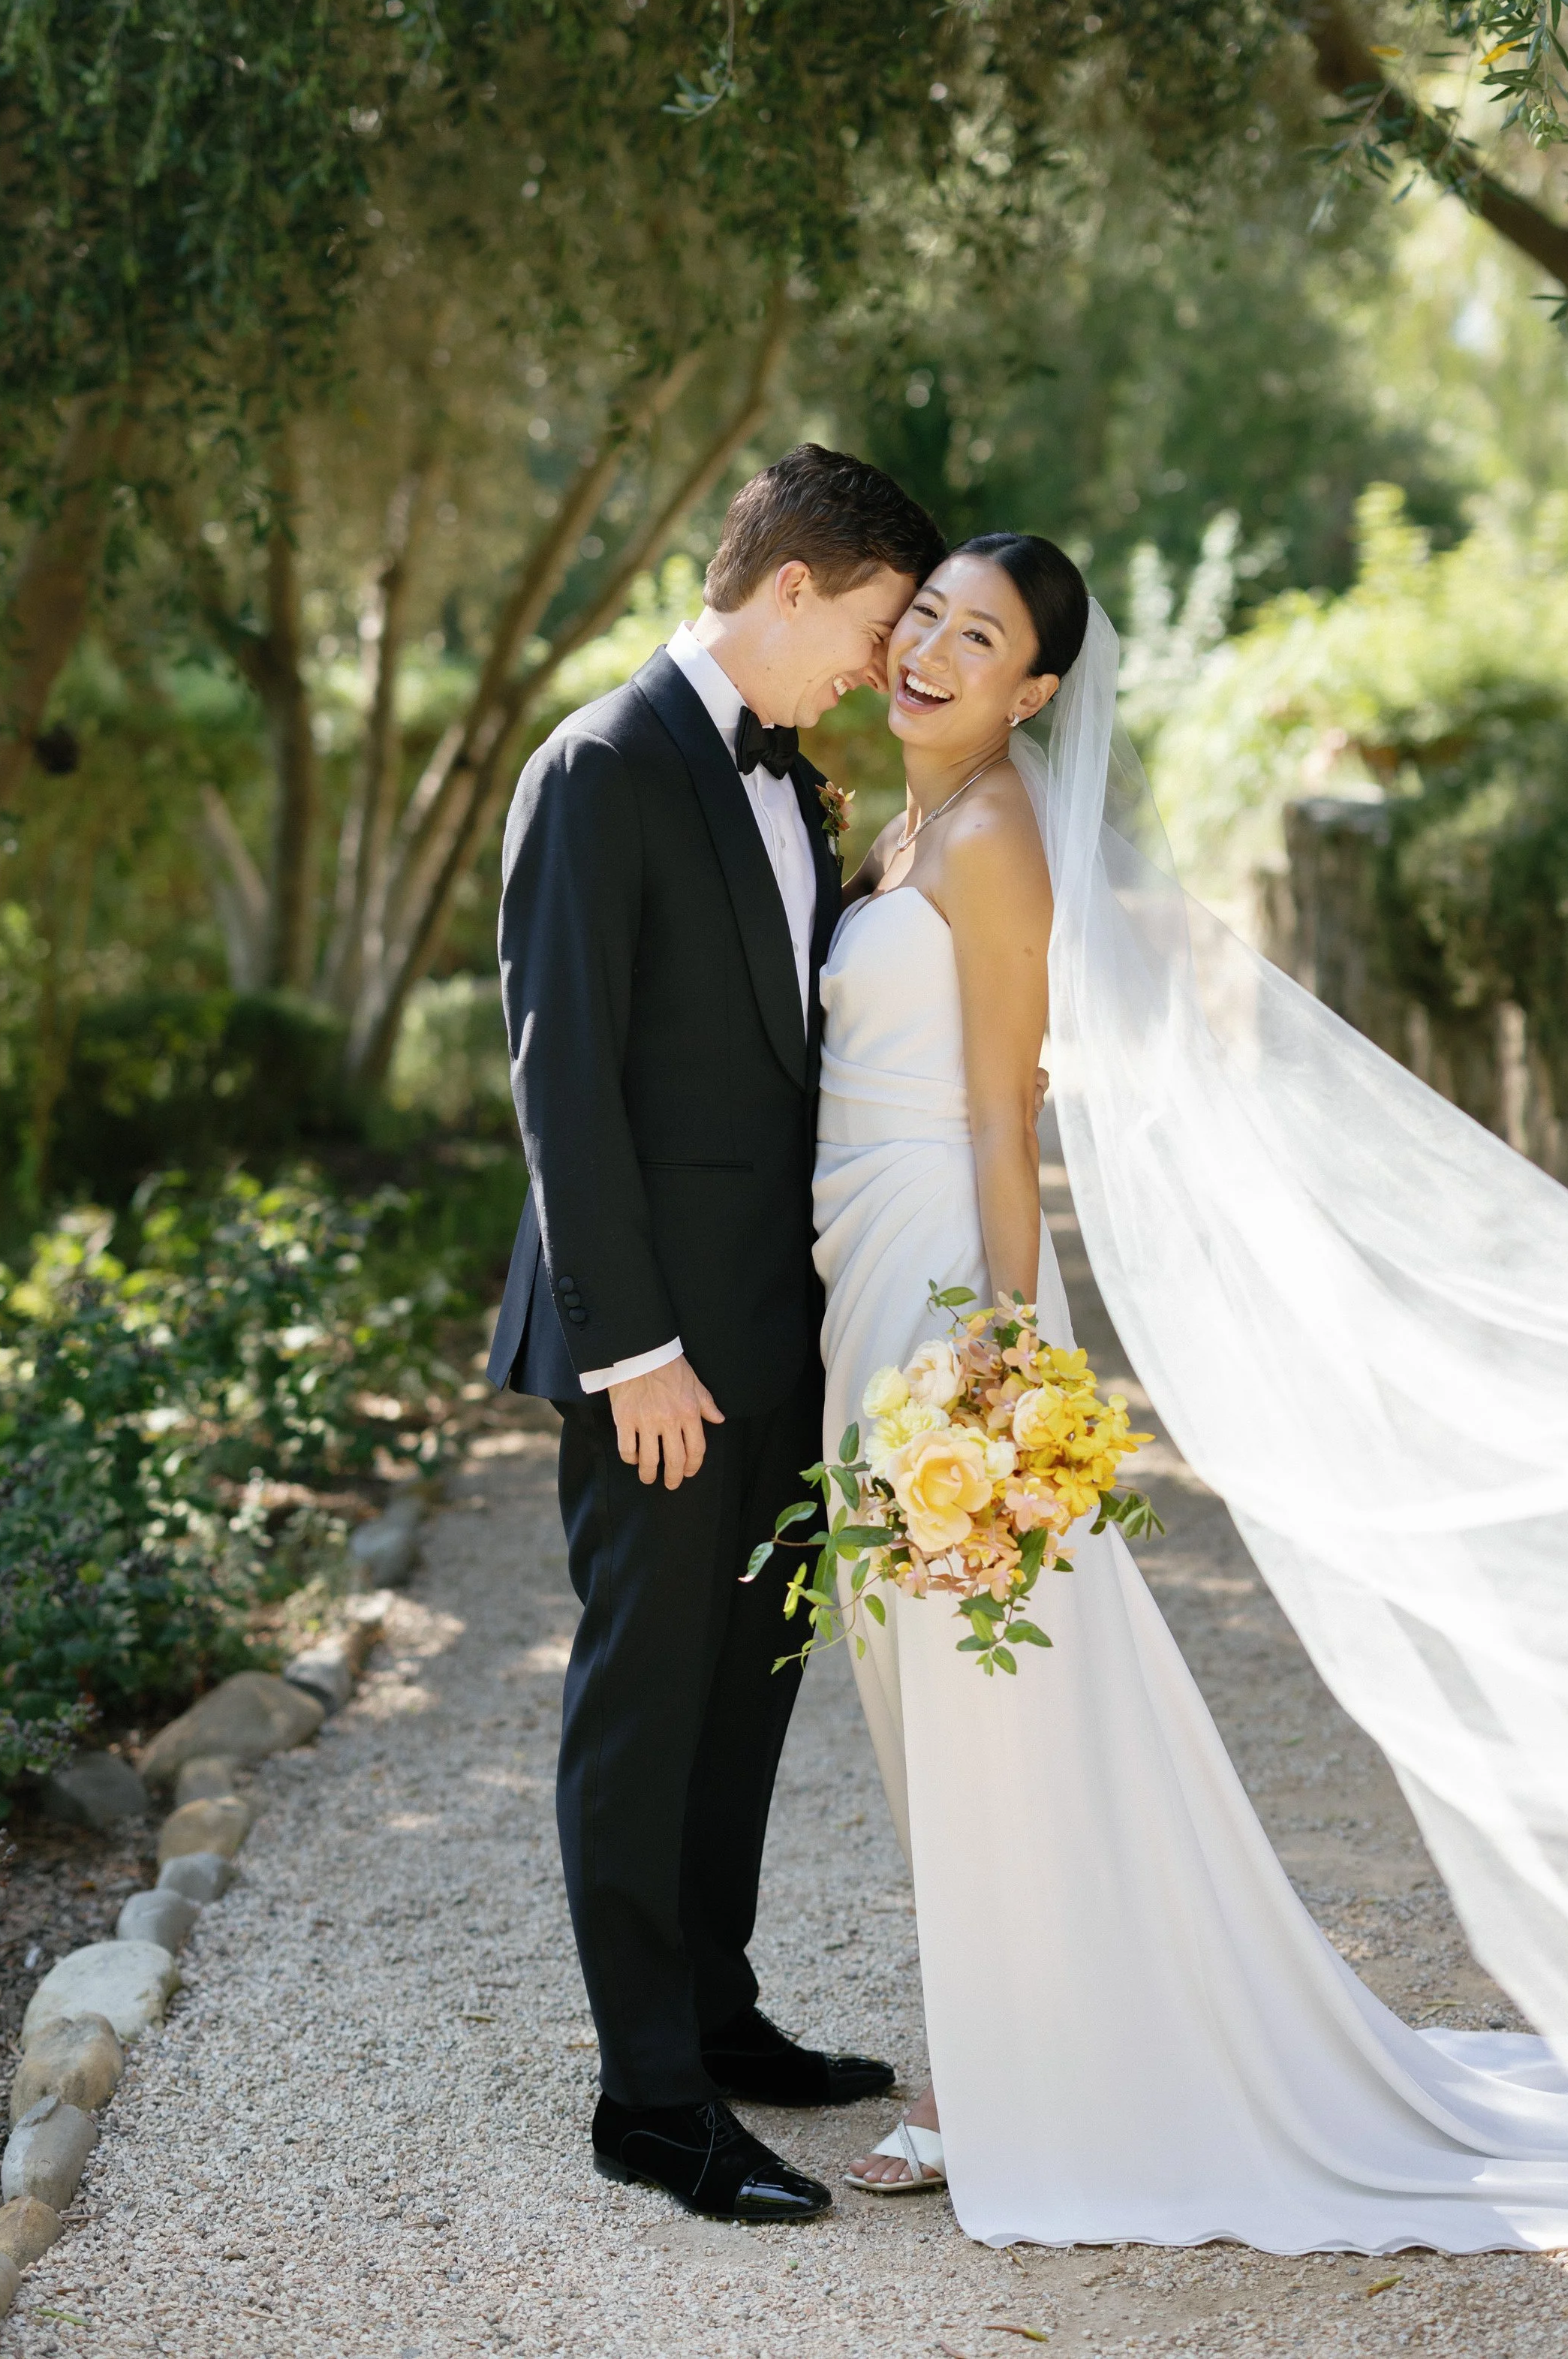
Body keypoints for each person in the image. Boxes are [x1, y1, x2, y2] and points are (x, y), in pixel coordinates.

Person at [813, 532, 1568, 2257]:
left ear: (1031, 690)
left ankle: (1010, 2089)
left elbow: (1001, 1112)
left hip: (935, 1289)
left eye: (972, 638)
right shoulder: (909, 822)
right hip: (860, 1265)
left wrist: (994, 1347)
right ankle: (1028, 2047)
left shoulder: (988, 844)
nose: (925, 648)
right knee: (918, 1674)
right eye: (922, 617)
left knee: (991, 1687)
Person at [492, 443, 945, 2225]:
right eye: (875, 625)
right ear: (787, 590)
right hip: (658, 1355)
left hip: (783, 1333)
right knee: (641, 1703)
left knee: (745, 1701)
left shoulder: (798, 781)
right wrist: (632, 1350)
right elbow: (562, 1089)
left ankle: (723, 2012)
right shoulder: (597, 765)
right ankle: (648, 2099)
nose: (879, 664)